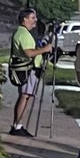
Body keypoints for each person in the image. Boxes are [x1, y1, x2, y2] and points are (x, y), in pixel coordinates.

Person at [7, 8, 54, 136]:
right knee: (25, 95)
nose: (35, 20)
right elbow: (29, 53)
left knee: (25, 96)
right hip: (28, 70)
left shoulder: (23, 33)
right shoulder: (23, 34)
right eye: (33, 18)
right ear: (25, 19)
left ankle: (18, 124)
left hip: (28, 69)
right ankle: (17, 125)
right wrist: (44, 50)